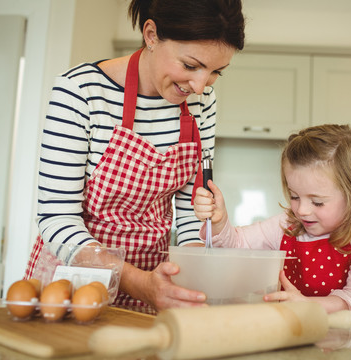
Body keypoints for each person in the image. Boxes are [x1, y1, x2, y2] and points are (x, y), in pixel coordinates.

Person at [23, 0, 246, 314]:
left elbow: (189, 214)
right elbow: (57, 218)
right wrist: (138, 282)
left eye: (215, 73)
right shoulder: (80, 92)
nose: (199, 86)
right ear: (152, 35)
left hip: (157, 280)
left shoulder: (201, 102)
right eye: (190, 65)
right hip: (76, 281)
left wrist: (194, 274)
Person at [194, 124, 351, 319]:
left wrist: (308, 305)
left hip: (348, 341)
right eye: (294, 197)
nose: (301, 210)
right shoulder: (287, 225)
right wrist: (219, 221)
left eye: (317, 202)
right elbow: (237, 244)